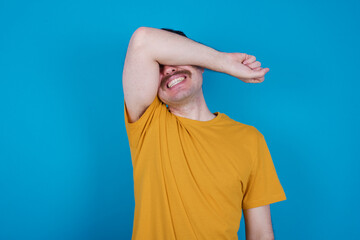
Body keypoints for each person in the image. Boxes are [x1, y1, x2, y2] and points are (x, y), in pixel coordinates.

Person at [122, 26, 286, 240]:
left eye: (176, 58)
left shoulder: (250, 139)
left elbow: (261, 233)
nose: (168, 70)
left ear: (201, 66)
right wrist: (225, 62)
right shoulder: (148, 123)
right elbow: (143, 40)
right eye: (159, 65)